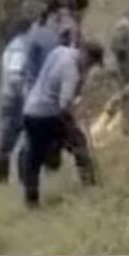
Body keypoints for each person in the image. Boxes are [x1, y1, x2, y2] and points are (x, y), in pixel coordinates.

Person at [18, 40, 104, 208]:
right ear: (86, 56)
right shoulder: (71, 70)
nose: (90, 68)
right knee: (79, 144)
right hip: (49, 114)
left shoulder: (60, 51)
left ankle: (31, 201)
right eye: (91, 64)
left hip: (30, 111)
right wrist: (76, 114)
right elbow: (64, 103)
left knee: (34, 156)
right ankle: (91, 188)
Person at [0, 17, 32, 183]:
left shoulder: (11, 47)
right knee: (24, 142)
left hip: (8, 99)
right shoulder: (20, 48)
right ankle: (24, 181)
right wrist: (26, 98)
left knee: (6, 144)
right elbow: (15, 76)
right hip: (17, 101)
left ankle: (1, 181)